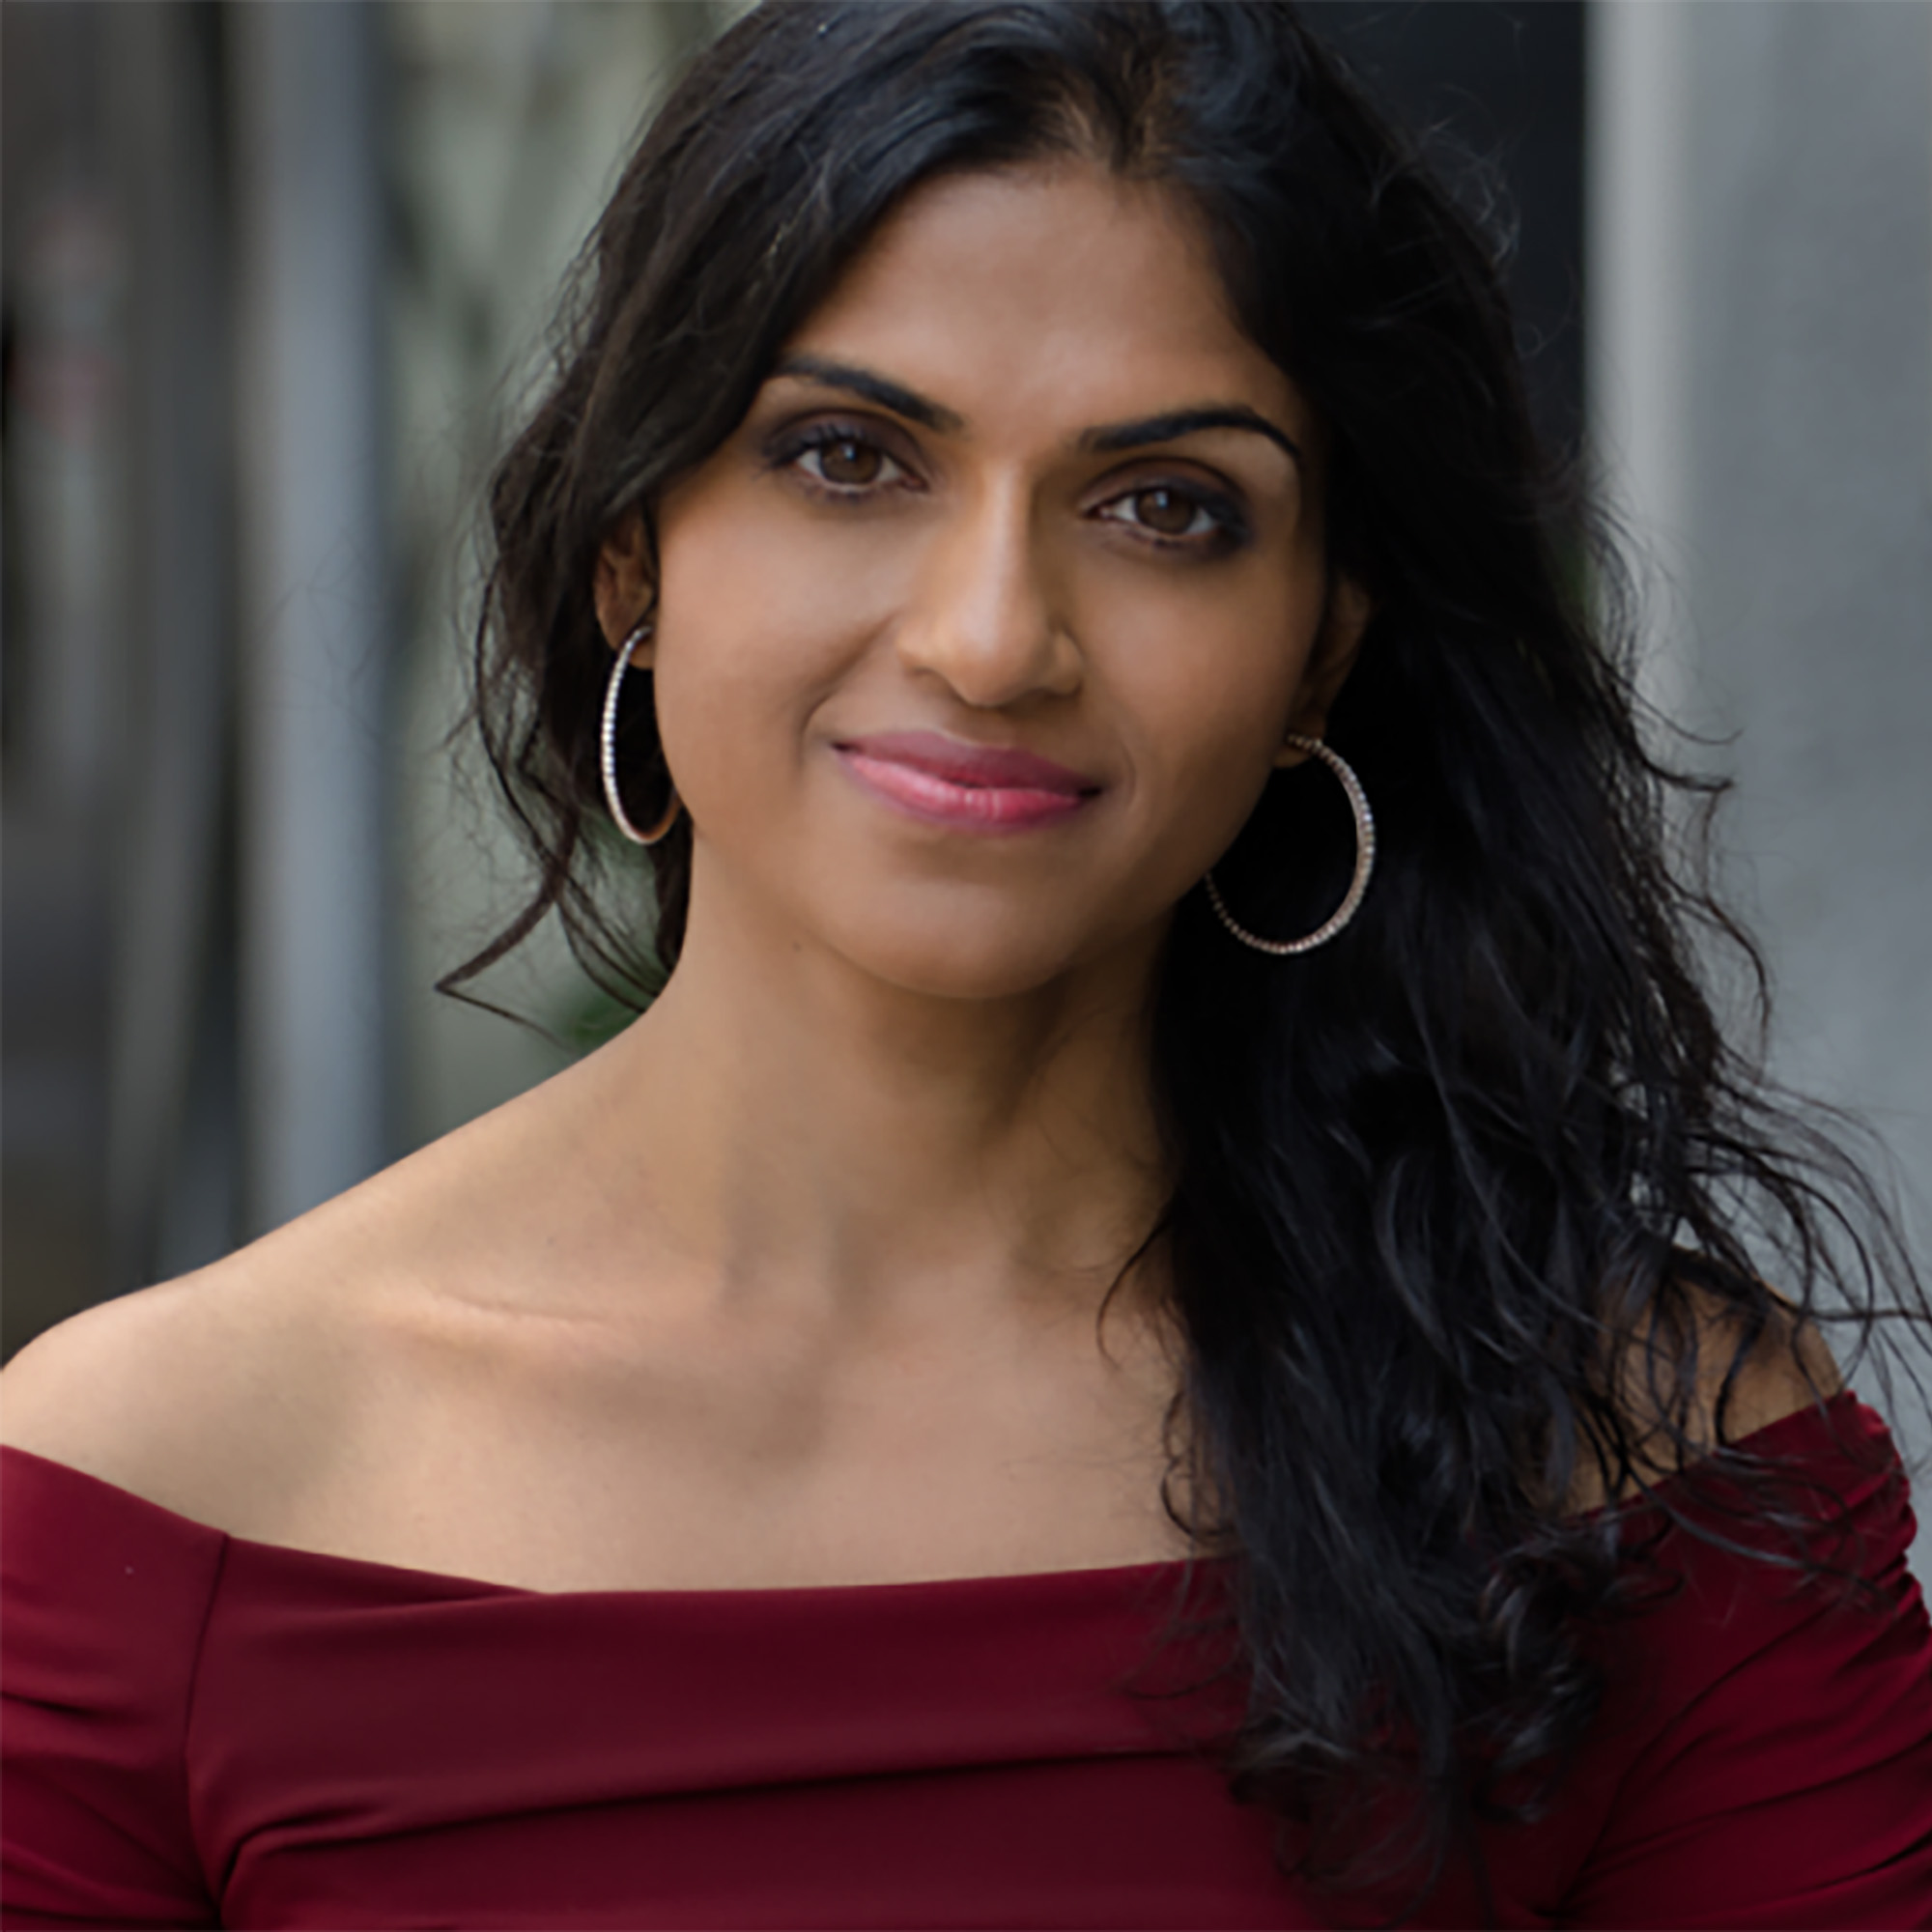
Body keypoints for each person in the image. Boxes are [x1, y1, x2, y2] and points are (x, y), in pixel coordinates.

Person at [4, 3, 1929, 1924]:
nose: (995, 635)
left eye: (1164, 508)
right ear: (631, 559)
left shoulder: (1632, 1457)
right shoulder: (151, 1491)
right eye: (849, 459)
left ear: (1316, 659)